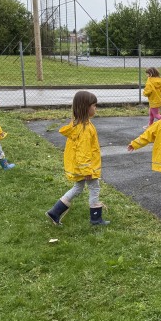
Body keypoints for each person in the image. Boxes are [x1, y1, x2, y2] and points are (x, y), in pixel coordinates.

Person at [46, 90, 110, 226]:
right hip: (86, 167)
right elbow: (83, 152)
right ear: (86, 108)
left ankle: (55, 212)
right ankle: (96, 219)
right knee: (94, 188)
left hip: (80, 166)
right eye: (94, 105)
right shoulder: (85, 129)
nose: (96, 108)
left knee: (78, 188)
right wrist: (87, 170)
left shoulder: (78, 125)